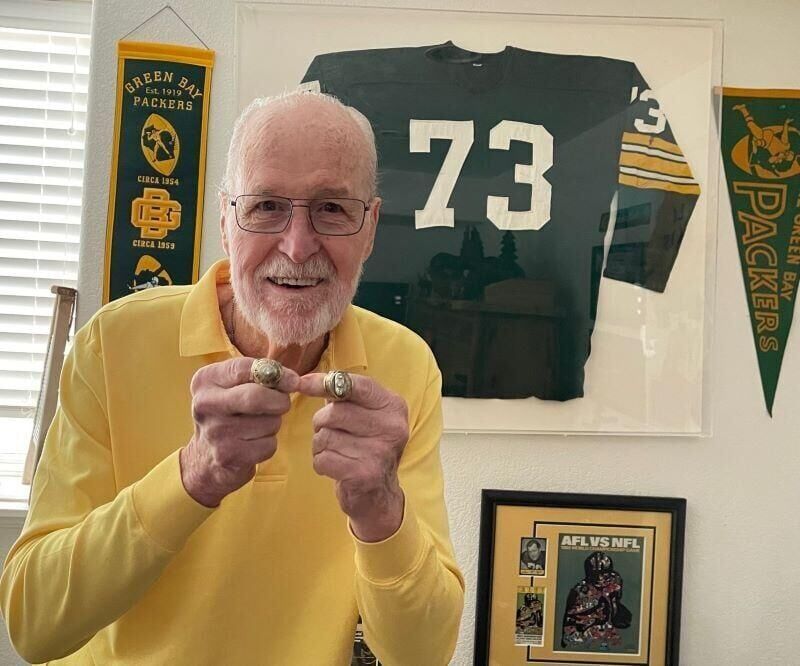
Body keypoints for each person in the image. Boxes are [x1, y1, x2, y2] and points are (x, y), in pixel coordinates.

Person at [0, 91, 465, 665]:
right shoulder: (113, 343)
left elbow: (422, 655)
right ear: (225, 220)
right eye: (267, 206)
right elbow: (34, 624)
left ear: (369, 227)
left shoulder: (407, 368)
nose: (297, 247)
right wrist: (193, 475)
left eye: (332, 209)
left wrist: (379, 506)